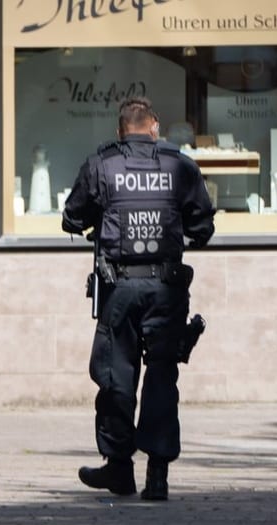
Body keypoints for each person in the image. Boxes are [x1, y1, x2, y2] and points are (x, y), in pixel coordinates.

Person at [62, 96, 214, 501]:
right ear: (155, 127)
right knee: (162, 375)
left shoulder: (102, 165)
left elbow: (71, 218)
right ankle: (158, 475)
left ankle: (119, 468)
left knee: (117, 378)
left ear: (119, 130)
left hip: (120, 290)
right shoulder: (179, 166)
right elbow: (203, 226)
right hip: (166, 289)